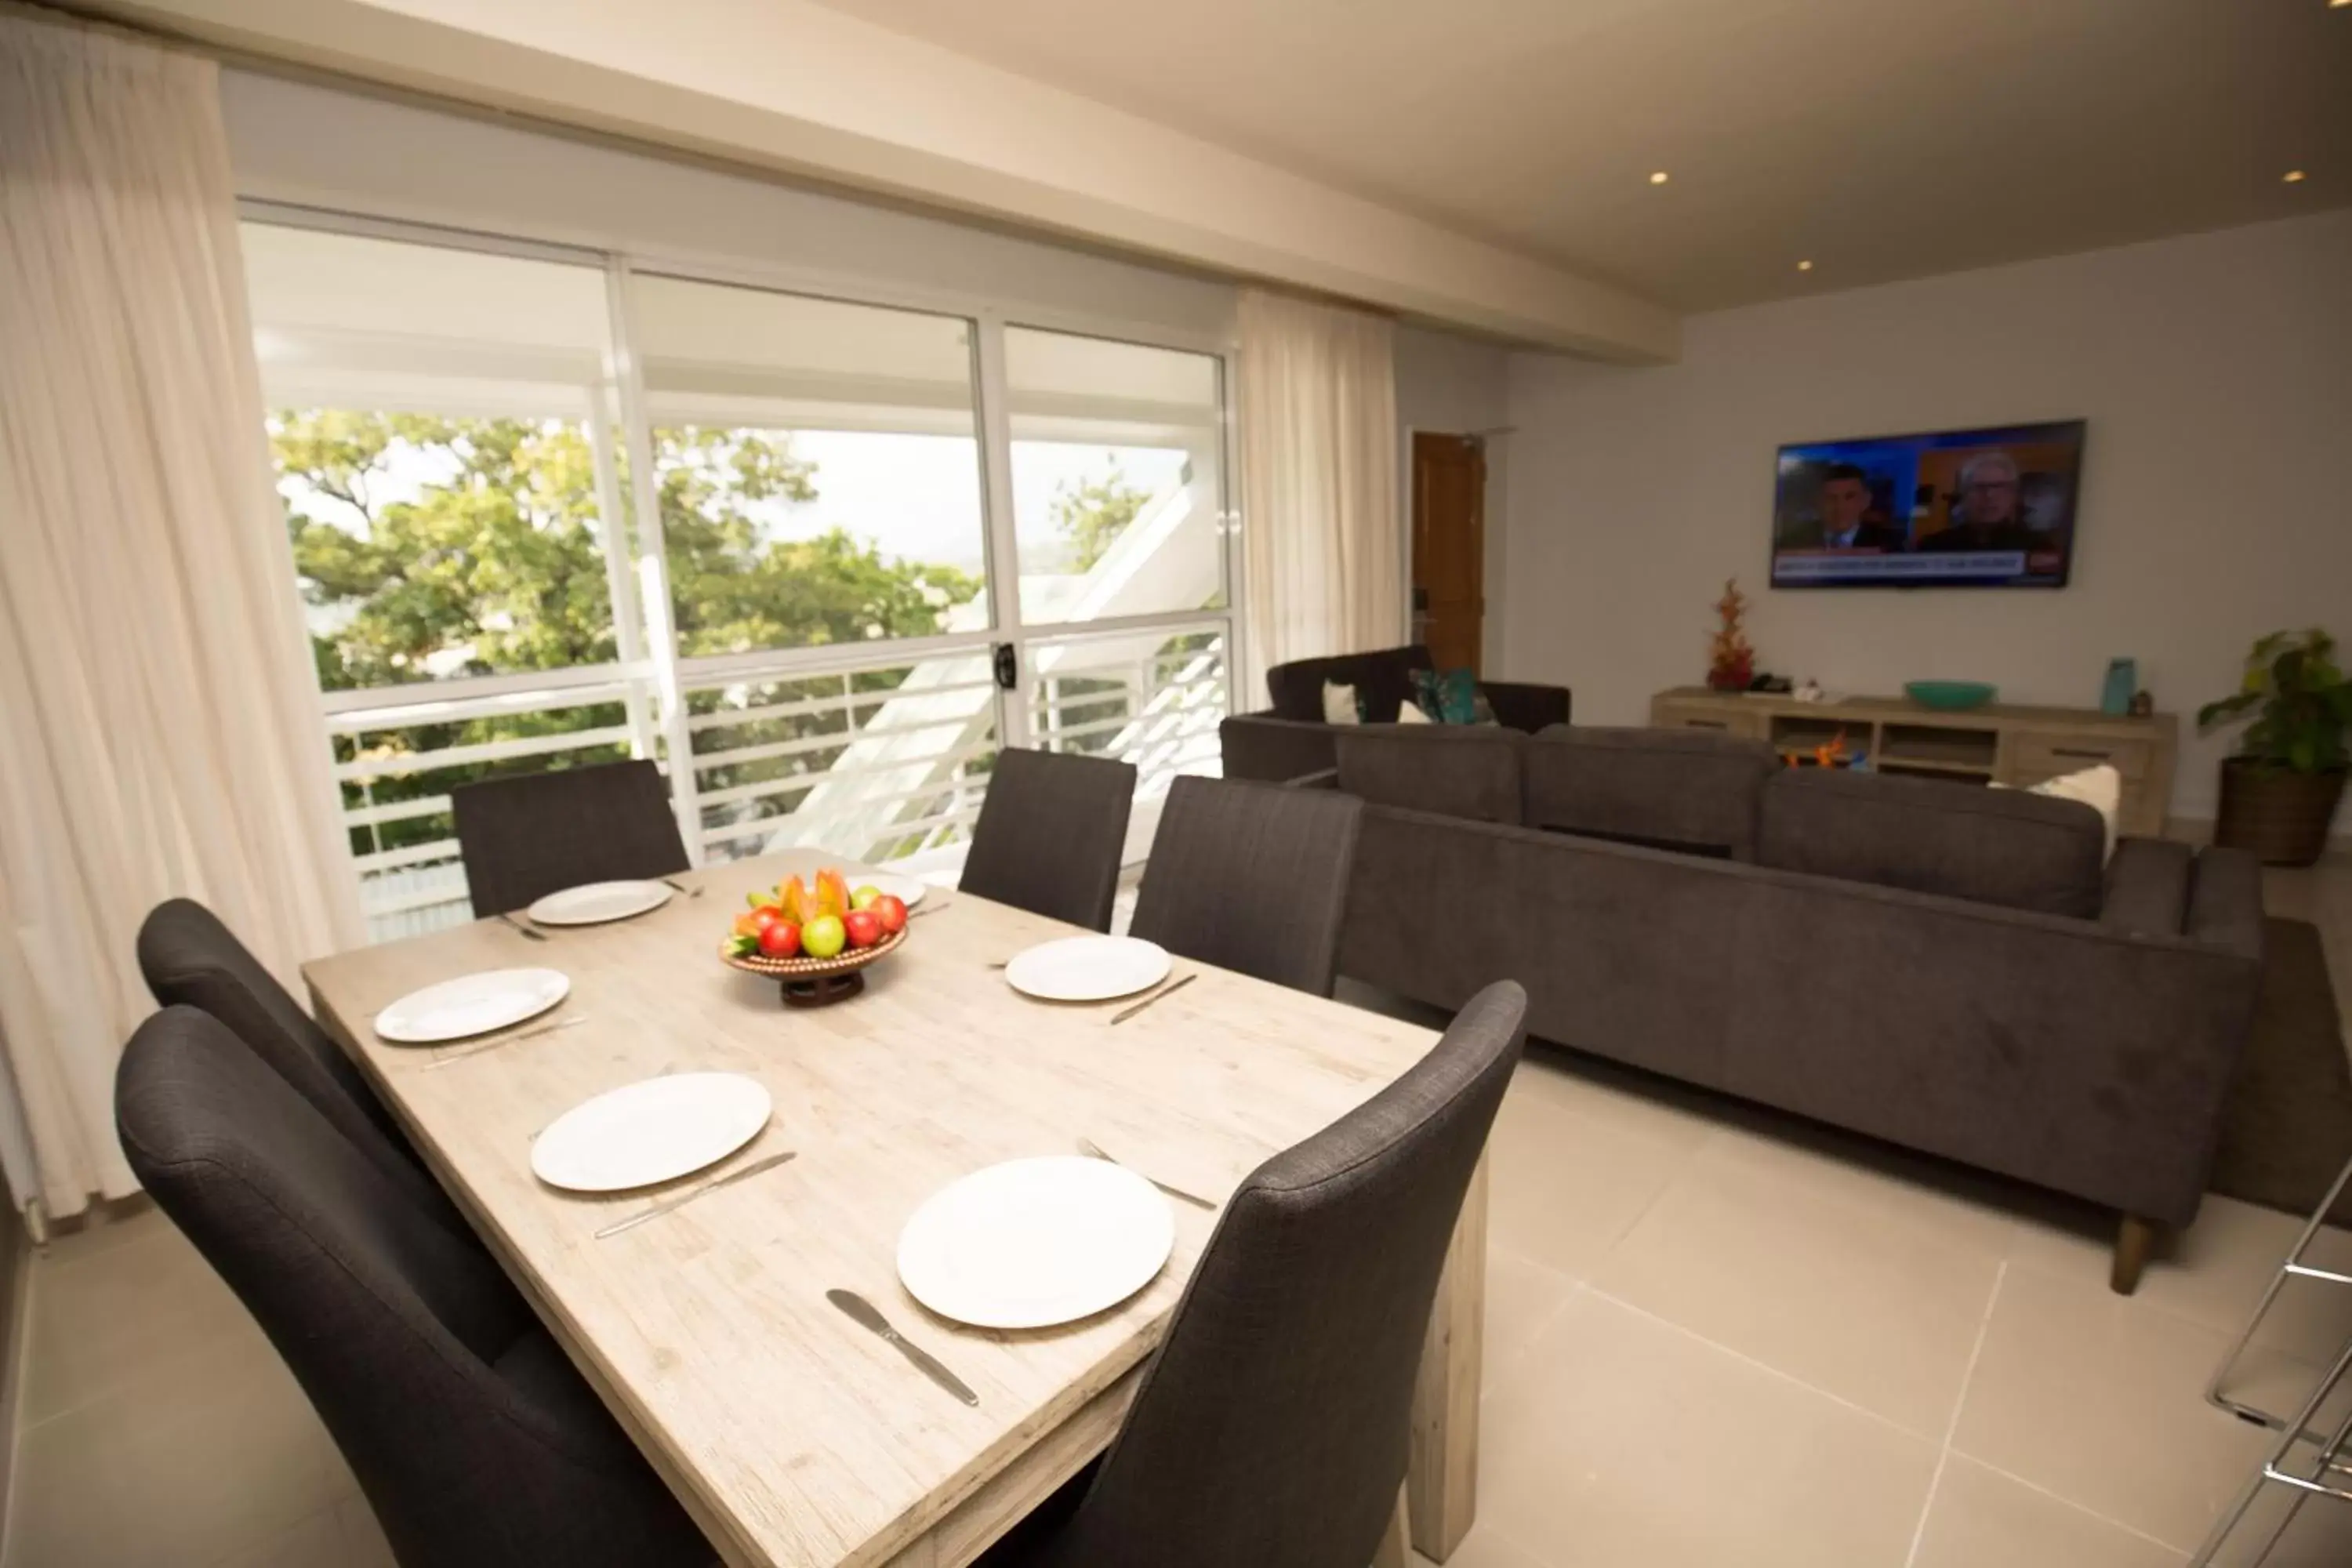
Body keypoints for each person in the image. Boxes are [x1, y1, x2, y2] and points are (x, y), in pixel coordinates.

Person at [1922, 451, 2033, 552]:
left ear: (2013, 494)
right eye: (1979, 487)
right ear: (1963, 494)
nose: (1989, 495)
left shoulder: (2036, 547)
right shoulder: (1932, 546)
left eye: (1998, 486)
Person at [1784, 463, 1902, 550]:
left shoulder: (1891, 542)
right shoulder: (1793, 541)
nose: (1840, 507)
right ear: (1817, 503)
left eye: (1850, 497)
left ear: (1866, 501)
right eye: (1830, 498)